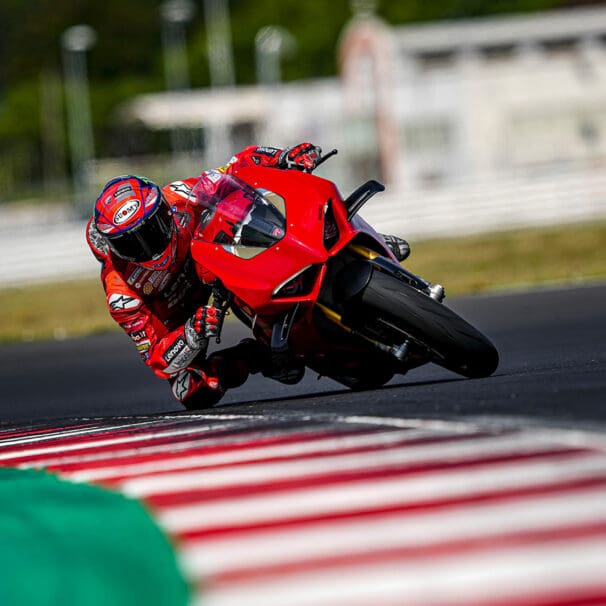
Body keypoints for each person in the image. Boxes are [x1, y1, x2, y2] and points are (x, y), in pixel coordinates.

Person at [86, 143, 411, 409]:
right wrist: (193, 331)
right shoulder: (121, 291)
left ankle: (346, 241)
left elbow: (233, 167)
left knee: (246, 206)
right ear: (115, 249)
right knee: (190, 390)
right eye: (131, 243)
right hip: (186, 316)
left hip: (213, 262)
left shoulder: (178, 197)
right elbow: (159, 359)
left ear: (163, 210)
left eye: (152, 229)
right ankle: (261, 356)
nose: (148, 247)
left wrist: (283, 158)